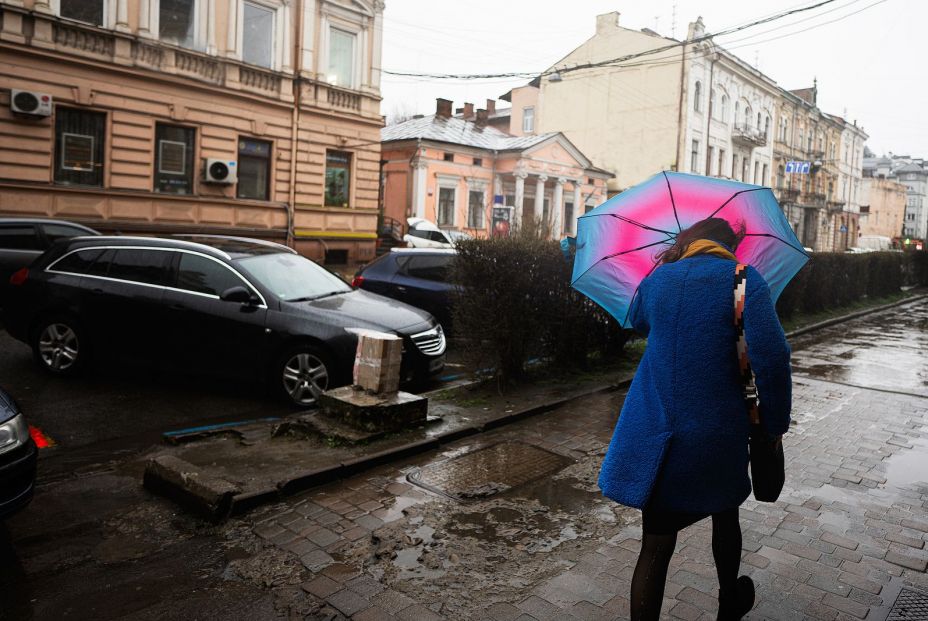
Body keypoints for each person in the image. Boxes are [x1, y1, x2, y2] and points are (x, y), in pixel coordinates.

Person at [598, 217, 792, 620]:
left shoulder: (659, 279)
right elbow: (772, 358)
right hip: (717, 433)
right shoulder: (742, 280)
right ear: (729, 245)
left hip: (659, 436)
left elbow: (639, 320)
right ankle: (729, 600)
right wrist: (774, 425)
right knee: (726, 512)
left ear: (690, 241)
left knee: (655, 545)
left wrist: (664, 272)